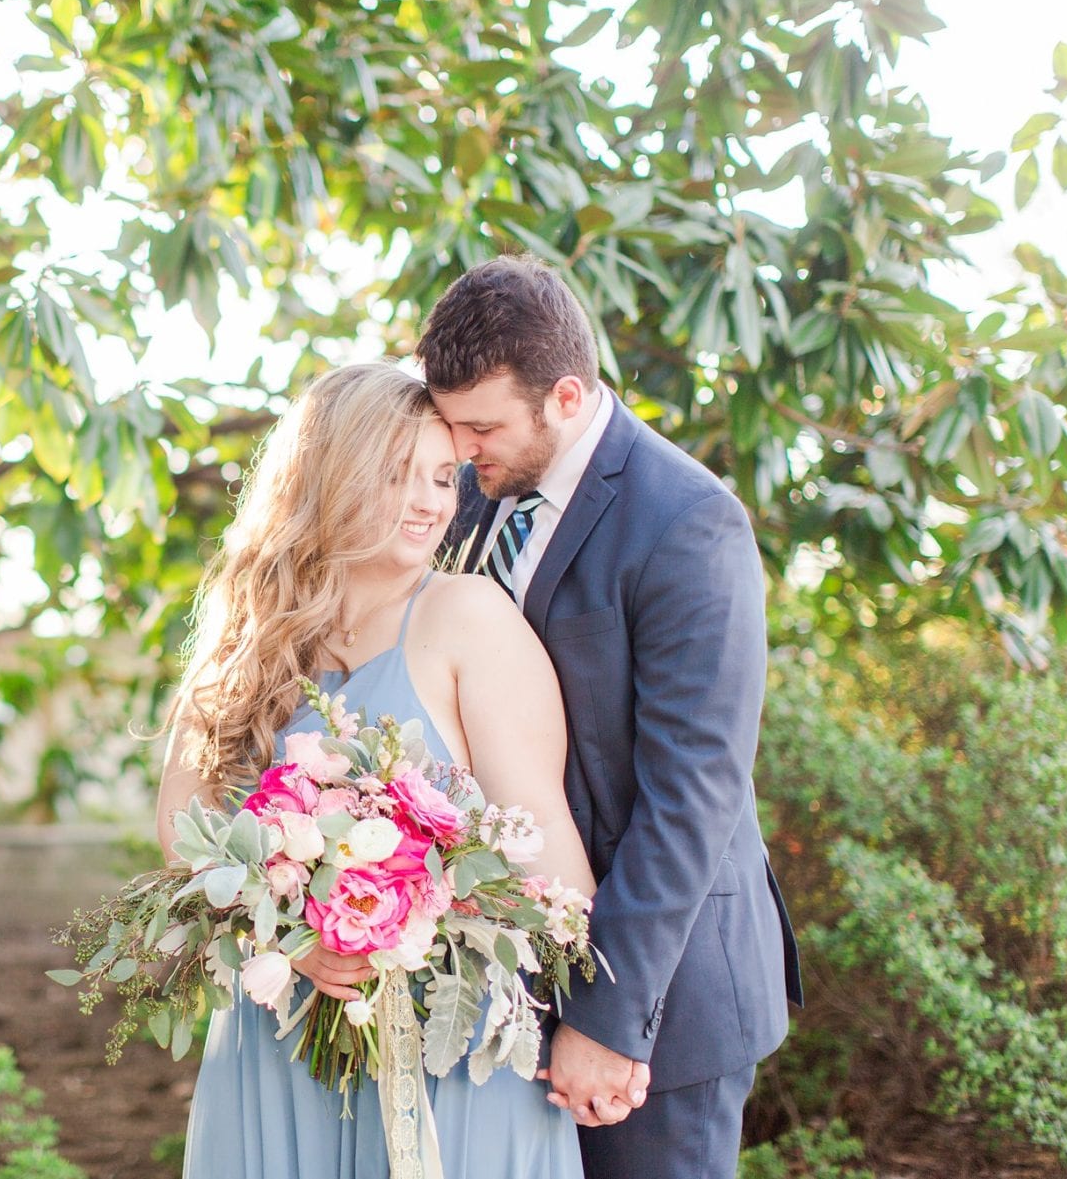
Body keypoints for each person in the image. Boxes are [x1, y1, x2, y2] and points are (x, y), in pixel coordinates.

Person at [155, 361, 596, 1178]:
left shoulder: (469, 618)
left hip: (449, 1053)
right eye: (398, 474)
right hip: (278, 1043)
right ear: (328, 475)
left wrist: (592, 1019)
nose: (432, 500)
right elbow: (182, 834)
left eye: (443, 475)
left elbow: (551, 858)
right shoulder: (243, 642)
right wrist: (291, 938)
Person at [416, 254, 804, 1179]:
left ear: (563, 395)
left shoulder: (688, 523)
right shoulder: (473, 491)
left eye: (483, 425)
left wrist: (603, 1011)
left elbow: (693, 797)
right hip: (503, 984)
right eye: (452, 425)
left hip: (659, 998)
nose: (463, 450)